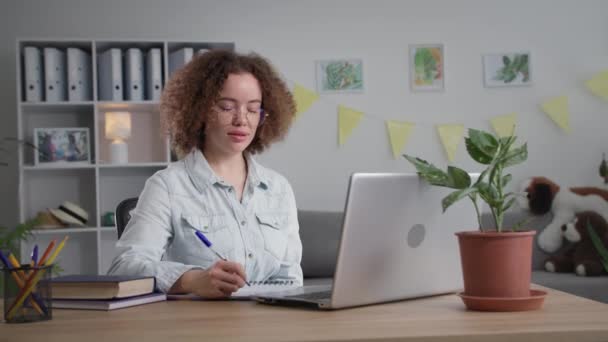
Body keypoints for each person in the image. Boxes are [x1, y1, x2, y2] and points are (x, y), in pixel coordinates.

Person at [107, 50, 302, 298]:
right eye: (226, 107)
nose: (241, 120)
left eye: (253, 109)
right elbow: (123, 268)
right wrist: (191, 280)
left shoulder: (278, 188)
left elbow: (291, 279)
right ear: (199, 110)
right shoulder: (167, 186)